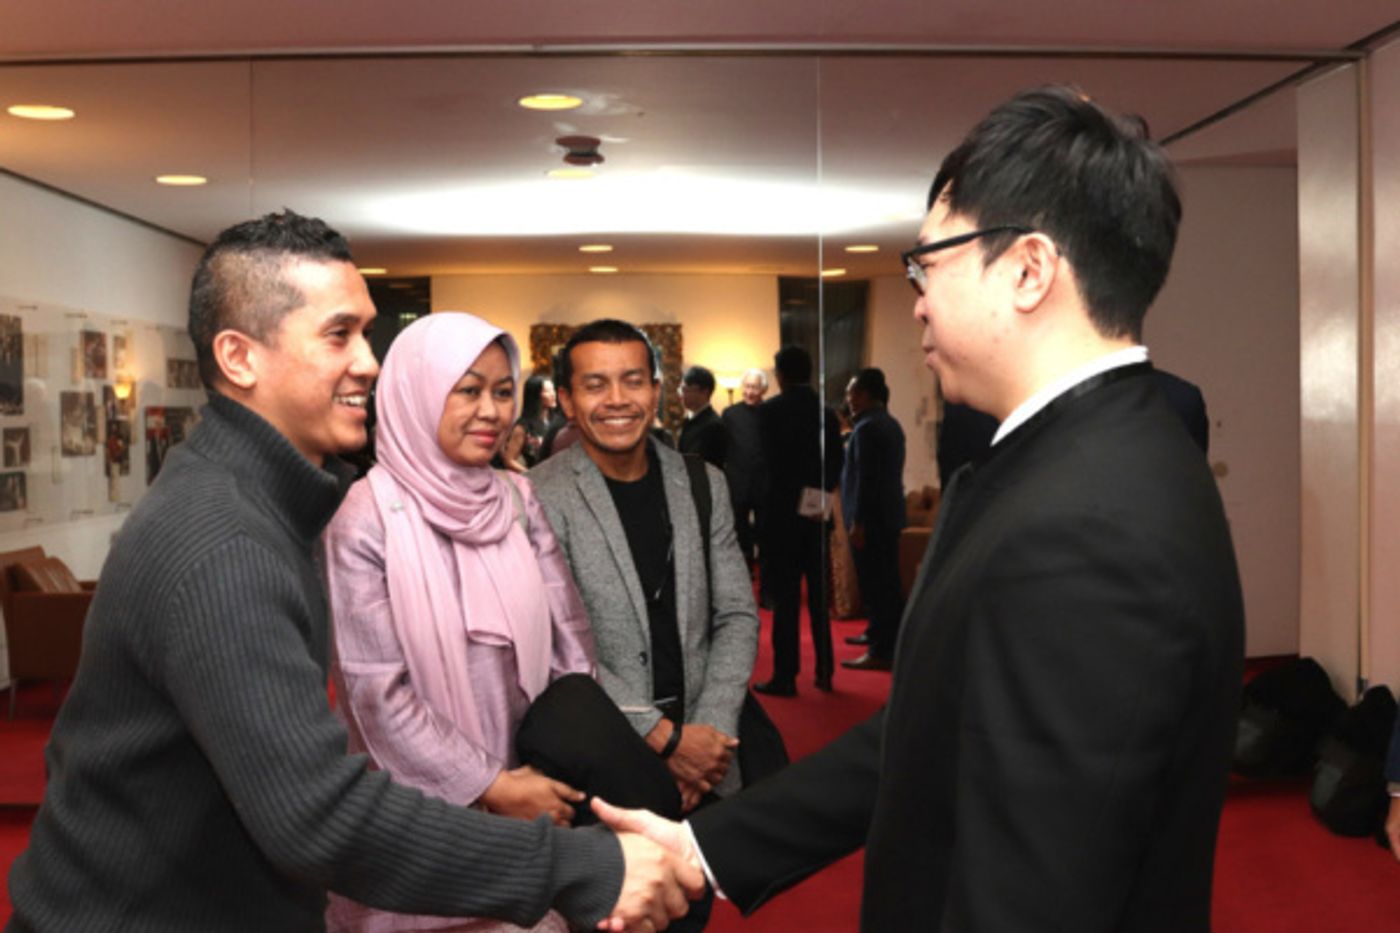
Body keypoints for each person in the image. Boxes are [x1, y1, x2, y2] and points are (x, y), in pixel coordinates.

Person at [593, 86, 1246, 932]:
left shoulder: (1088, 527)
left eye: (928, 262)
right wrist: (701, 848)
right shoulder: (1078, 457)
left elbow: (1035, 891)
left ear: (1029, 269)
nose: (917, 297)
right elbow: (928, 733)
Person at [5, 211, 700, 933]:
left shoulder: (260, 506)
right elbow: (315, 812)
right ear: (240, 357)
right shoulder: (223, 541)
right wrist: (579, 867)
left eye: (366, 333)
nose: (369, 361)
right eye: (339, 335)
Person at [322, 311, 681, 932]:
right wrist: (491, 785)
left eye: (502, 390)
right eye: (466, 391)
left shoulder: (516, 499)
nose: (491, 411)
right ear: (416, 394)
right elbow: (376, 693)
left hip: (539, 790)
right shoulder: (364, 518)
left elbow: (573, 646)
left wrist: (549, 768)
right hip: (419, 806)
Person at [529, 320, 758, 811]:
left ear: (656, 392)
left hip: (706, 745)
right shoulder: (536, 496)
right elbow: (557, 643)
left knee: (700, 884)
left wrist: (709, 736)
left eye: (633, 381)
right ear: (567, 401)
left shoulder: (703, 483)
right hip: (604, 754)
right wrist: (664, 740)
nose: (617, 399)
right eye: (595, 385)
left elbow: (736, 614)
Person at [752, 345, 842, 696]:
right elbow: (836, 465)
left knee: (786, 600)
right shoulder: (826, 413)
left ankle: (785, 675)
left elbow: (765, 466)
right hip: (816, 510)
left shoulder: (771, 412)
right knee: (819, 595)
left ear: (781, 374)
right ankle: (825, 670)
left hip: (781, 515)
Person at [838, 368, 906, 671]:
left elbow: (866, 479)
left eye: (852, 392)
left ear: (865, 394)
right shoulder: (889, 423)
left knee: (877, 586)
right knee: (886, 583)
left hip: (872, 521)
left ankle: (881, 650)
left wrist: (858, 522)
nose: (848, 398)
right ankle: (880, 636)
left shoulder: (866, 429)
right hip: (888, 516)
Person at [721, 368, 768, 573]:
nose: (749, 391)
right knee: (740, 534)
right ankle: (744, 576)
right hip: (737, 483)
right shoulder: (730, 414)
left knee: (766, 534)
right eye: (747, 387)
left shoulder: (772, 412)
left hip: (765, 484)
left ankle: (767, 585)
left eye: (754, 387)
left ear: (763, 390)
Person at [502, 373, 558, 471]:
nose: (553, 394)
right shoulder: (523, 427)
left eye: (553, 389)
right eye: (548, 391)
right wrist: (531, 476)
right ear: (536, 396)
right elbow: (509, 460)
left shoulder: (555, 420)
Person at [676, 365, 727, 470]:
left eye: (686, 390)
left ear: (704, 392)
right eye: (681, 389)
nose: (681, 395)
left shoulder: (714, 426)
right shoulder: (688, 420)